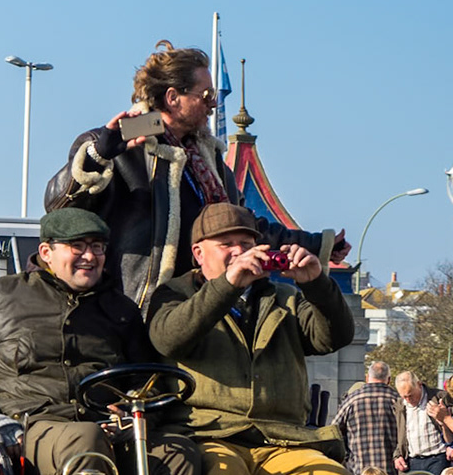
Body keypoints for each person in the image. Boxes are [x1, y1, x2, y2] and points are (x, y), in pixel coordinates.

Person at [0, 207, 201, 475]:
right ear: (47, 252)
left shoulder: (121, 310)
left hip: (106, 432)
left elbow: (144, 380)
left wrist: (131, 411)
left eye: (97, 247)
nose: (90, 256)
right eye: (78, 246)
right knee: (85, 438)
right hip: (29, 432)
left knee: (178, 454)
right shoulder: (1, 296)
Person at [46, 42, 346, 308]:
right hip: (135, 309)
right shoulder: (120, 145)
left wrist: (317, 244)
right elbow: (58, 210)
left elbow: (243, 225)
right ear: (173, 97)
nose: (213, 105)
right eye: (206, 95)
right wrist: (99, 155)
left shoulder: (210, 163)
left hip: (200, 305)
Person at [148, 202, 353, 475]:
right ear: (199, 253)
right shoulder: (174, 294)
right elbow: (169, 339)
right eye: (226, 244)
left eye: (246, 244)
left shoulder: (284, 297)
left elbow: (332, 338)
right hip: (213, 436)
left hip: (282, 440)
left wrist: (316, 284)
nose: (238, 252)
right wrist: (228, 285)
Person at [332, 360, 405, 475]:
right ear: (389, 379)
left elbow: (333, 431)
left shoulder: (352, 400)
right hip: (391, 471)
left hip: (360, 471)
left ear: (367, 377)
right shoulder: (397, 401)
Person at [395, 370, 450, 475]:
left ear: (419, 385)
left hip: (438, 457)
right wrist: (397, 455)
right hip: (413, 461)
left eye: (411, 395)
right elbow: (400, 435)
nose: (408, 400)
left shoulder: (439, 398)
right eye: (404, 396)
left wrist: (452, 446)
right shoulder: (400, 405)